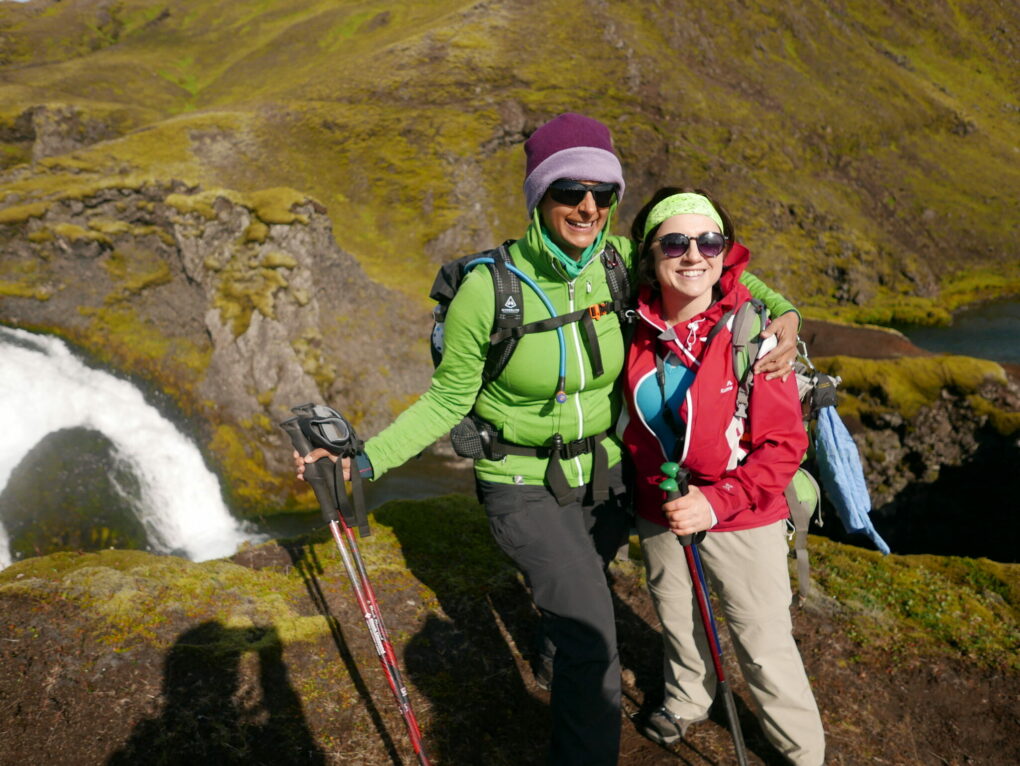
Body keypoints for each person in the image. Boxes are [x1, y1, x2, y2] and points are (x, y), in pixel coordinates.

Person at [295, 115, 800, 766]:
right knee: (595, 636)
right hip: (523, 484)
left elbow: (713, 267)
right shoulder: (487, 290)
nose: (587, 206)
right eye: (568, 190)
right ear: (539, 196)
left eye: (602, 192)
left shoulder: (619, 261)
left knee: (578, 596)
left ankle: (553, 646)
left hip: (608, 478)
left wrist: (782, 310)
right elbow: (448, 399)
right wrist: (362, 461)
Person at [620, 187, 825, 765]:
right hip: (660, 505)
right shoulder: (630, 323)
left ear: (726, 251)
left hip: (744, 513)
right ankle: (688, 700)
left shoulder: (755, 335)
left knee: (762, 643)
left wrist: (717, 501)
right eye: (676, 242)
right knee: (677, 616)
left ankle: (802, 754)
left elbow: (784, 445)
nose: (694, 254)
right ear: (651, 254)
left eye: (709, 241)